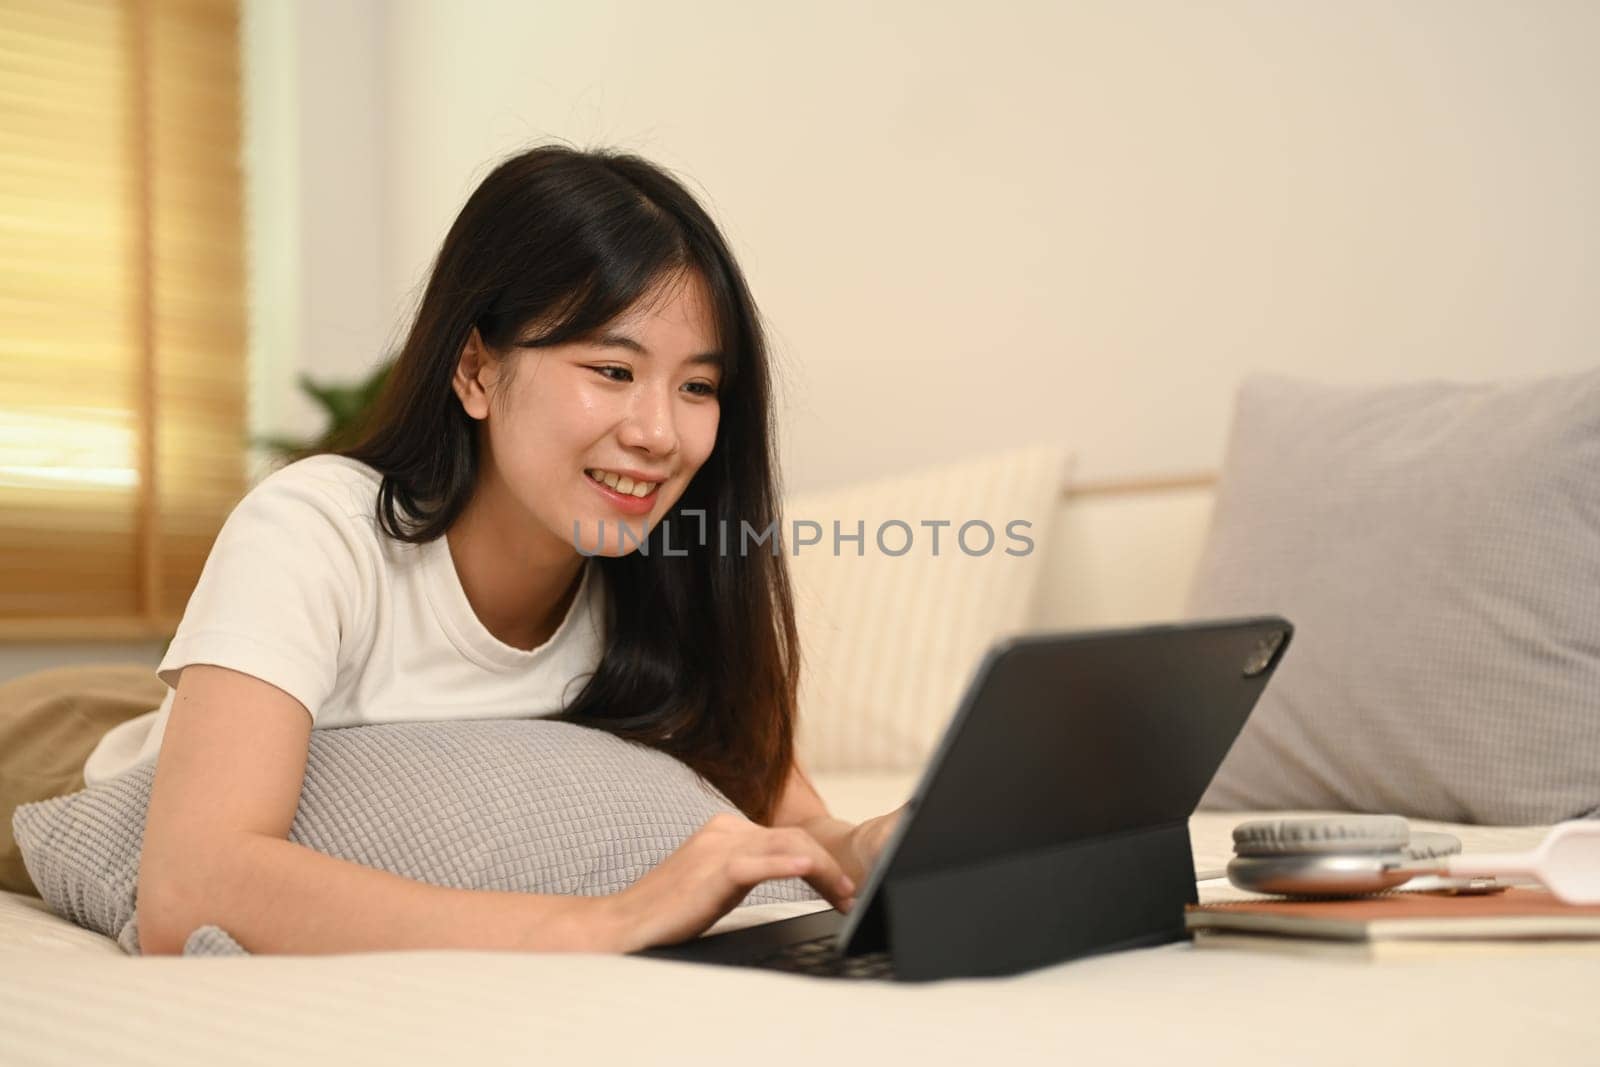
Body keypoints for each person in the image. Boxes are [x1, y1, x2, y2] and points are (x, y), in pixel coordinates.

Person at [98, 144, 904, 955]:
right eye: (612, 369)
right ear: (477, 369)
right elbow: (188, 892)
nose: (659, 434)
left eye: (697, 386)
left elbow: (795, 825)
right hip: (71, 735)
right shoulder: (313, 531)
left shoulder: (672, 573)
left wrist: (862, 846)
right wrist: (605, 922)